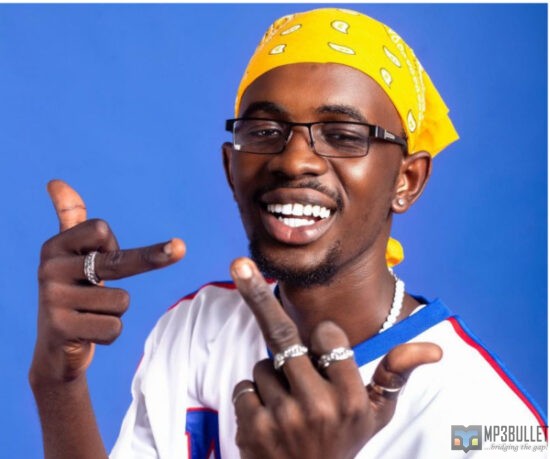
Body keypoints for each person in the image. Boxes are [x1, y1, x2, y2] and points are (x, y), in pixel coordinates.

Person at [29, 8, 546, 459]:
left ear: (406, 181)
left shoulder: (484, 422)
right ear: (230, 169)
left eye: (343, 135)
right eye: (265, 132)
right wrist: (59, 382)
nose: (294, 160)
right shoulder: (195, 330)